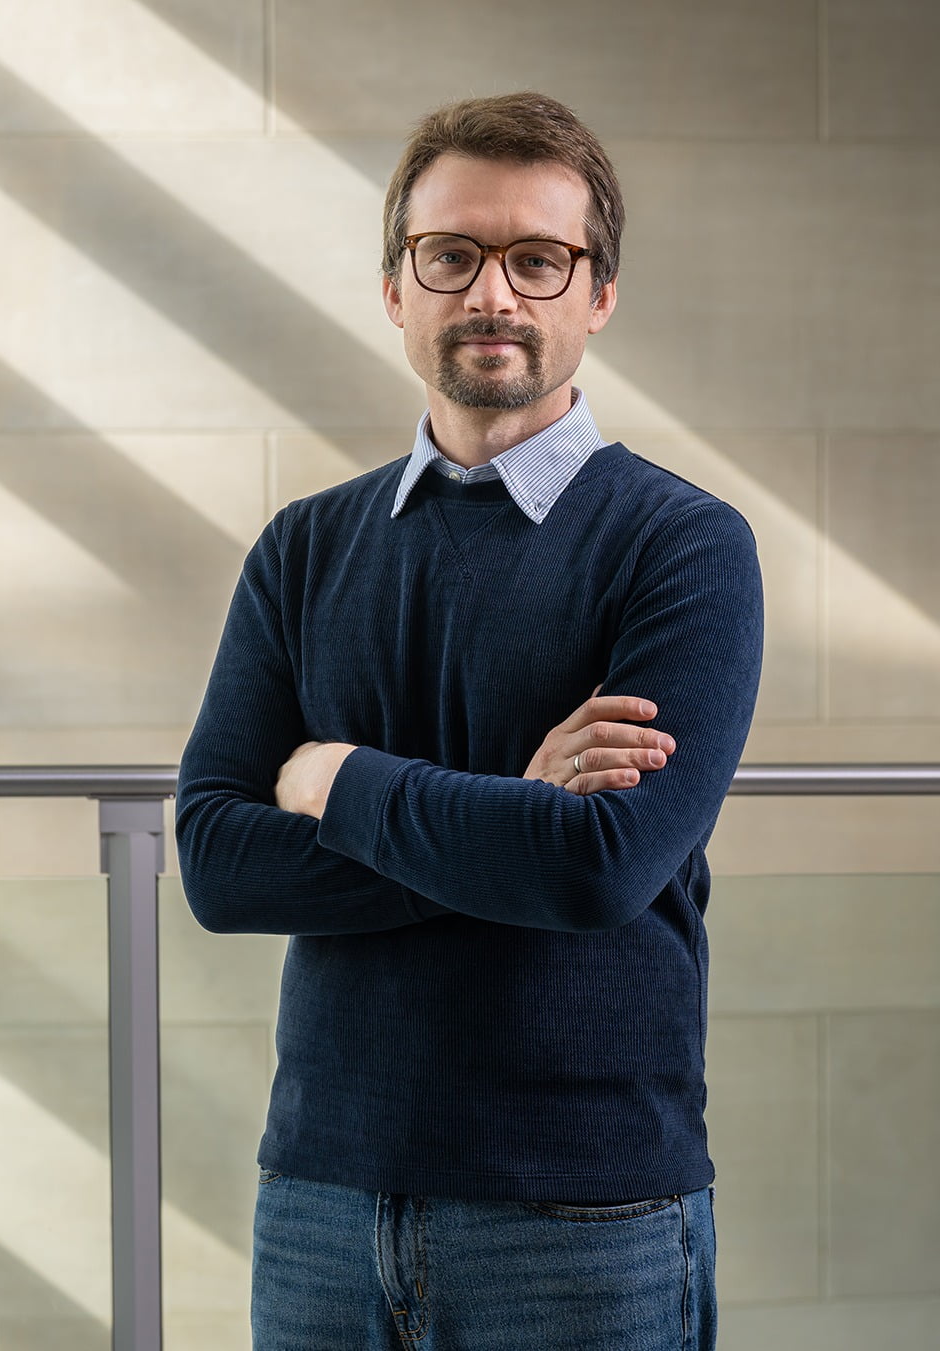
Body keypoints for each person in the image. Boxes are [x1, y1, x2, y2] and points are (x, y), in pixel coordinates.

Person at [174, 90, 763, 1351]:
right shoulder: (304, 548)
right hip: (321, 1195)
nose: (492, 293)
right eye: (451, 255)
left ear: (595, 293)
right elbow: (217, 863)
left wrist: (333, 778)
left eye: (536, 259)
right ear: (396, 286)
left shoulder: (684, 548)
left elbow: (596, 866)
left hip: (580, 1207)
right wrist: (508, 808)